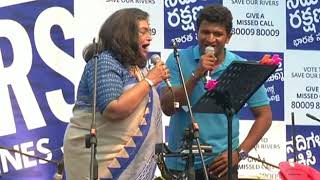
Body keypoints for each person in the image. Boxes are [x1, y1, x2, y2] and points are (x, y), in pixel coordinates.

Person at [159, 4, 272, 180]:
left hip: (220, 166)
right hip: (181, 162)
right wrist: (196, 75)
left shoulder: (240, 66)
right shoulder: (177, 59)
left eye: (218, 34)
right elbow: (168, 107)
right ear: (197, 32)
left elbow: (265, 116)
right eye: (205, 32)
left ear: (228, 38)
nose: (211, 39)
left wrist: (239, 154)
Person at [63, 8, 170, 180]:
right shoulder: (104, 61)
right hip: (95, 158)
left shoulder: (137, 70)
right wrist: (149, 81)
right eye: (143, 32)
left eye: (150, 31)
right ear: (125, 34)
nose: (149, 37)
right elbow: (113, 109)